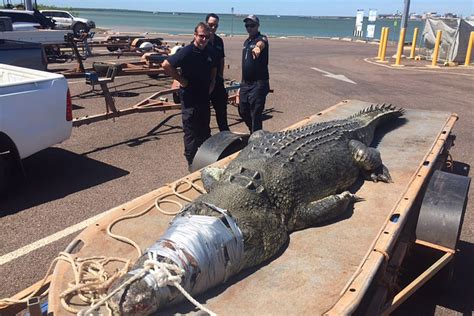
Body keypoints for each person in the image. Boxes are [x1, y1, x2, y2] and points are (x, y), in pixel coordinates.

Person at [162, 22, 217, 169]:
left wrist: (212, 83)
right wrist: (181, 80)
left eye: (206, 36)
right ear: (195, 35)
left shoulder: (210, 50)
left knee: (205, 130)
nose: (204, 39)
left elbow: (214, 66)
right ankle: (191, 162)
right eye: (201, 36)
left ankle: (206, 160)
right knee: (191, 132)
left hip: (204, 97)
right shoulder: (187, 51)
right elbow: (166, 65)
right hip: (190, 99)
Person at [239, 14, 270, 133]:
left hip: (258, 84)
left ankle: (257, 138)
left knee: (256, 113)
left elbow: (261, 43)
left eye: (252, 25)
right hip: (245, 84)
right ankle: (254, 132)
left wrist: (258, 48)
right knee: (243, 111)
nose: (249, 28)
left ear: (257, 26)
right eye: (247, 25)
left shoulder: (262, 38)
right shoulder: (246, 41)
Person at [205, 13, 230, 131]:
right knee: (204, 113)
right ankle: (205, 138)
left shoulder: (219, 41)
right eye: (210, 25)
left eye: (216, 26)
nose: (213, 28)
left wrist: (220, 75)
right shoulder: (201, 41)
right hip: (204, 82)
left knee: (221, 110)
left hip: (217, 81)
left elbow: (221, 59)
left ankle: (225, 134)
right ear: (206, 24)